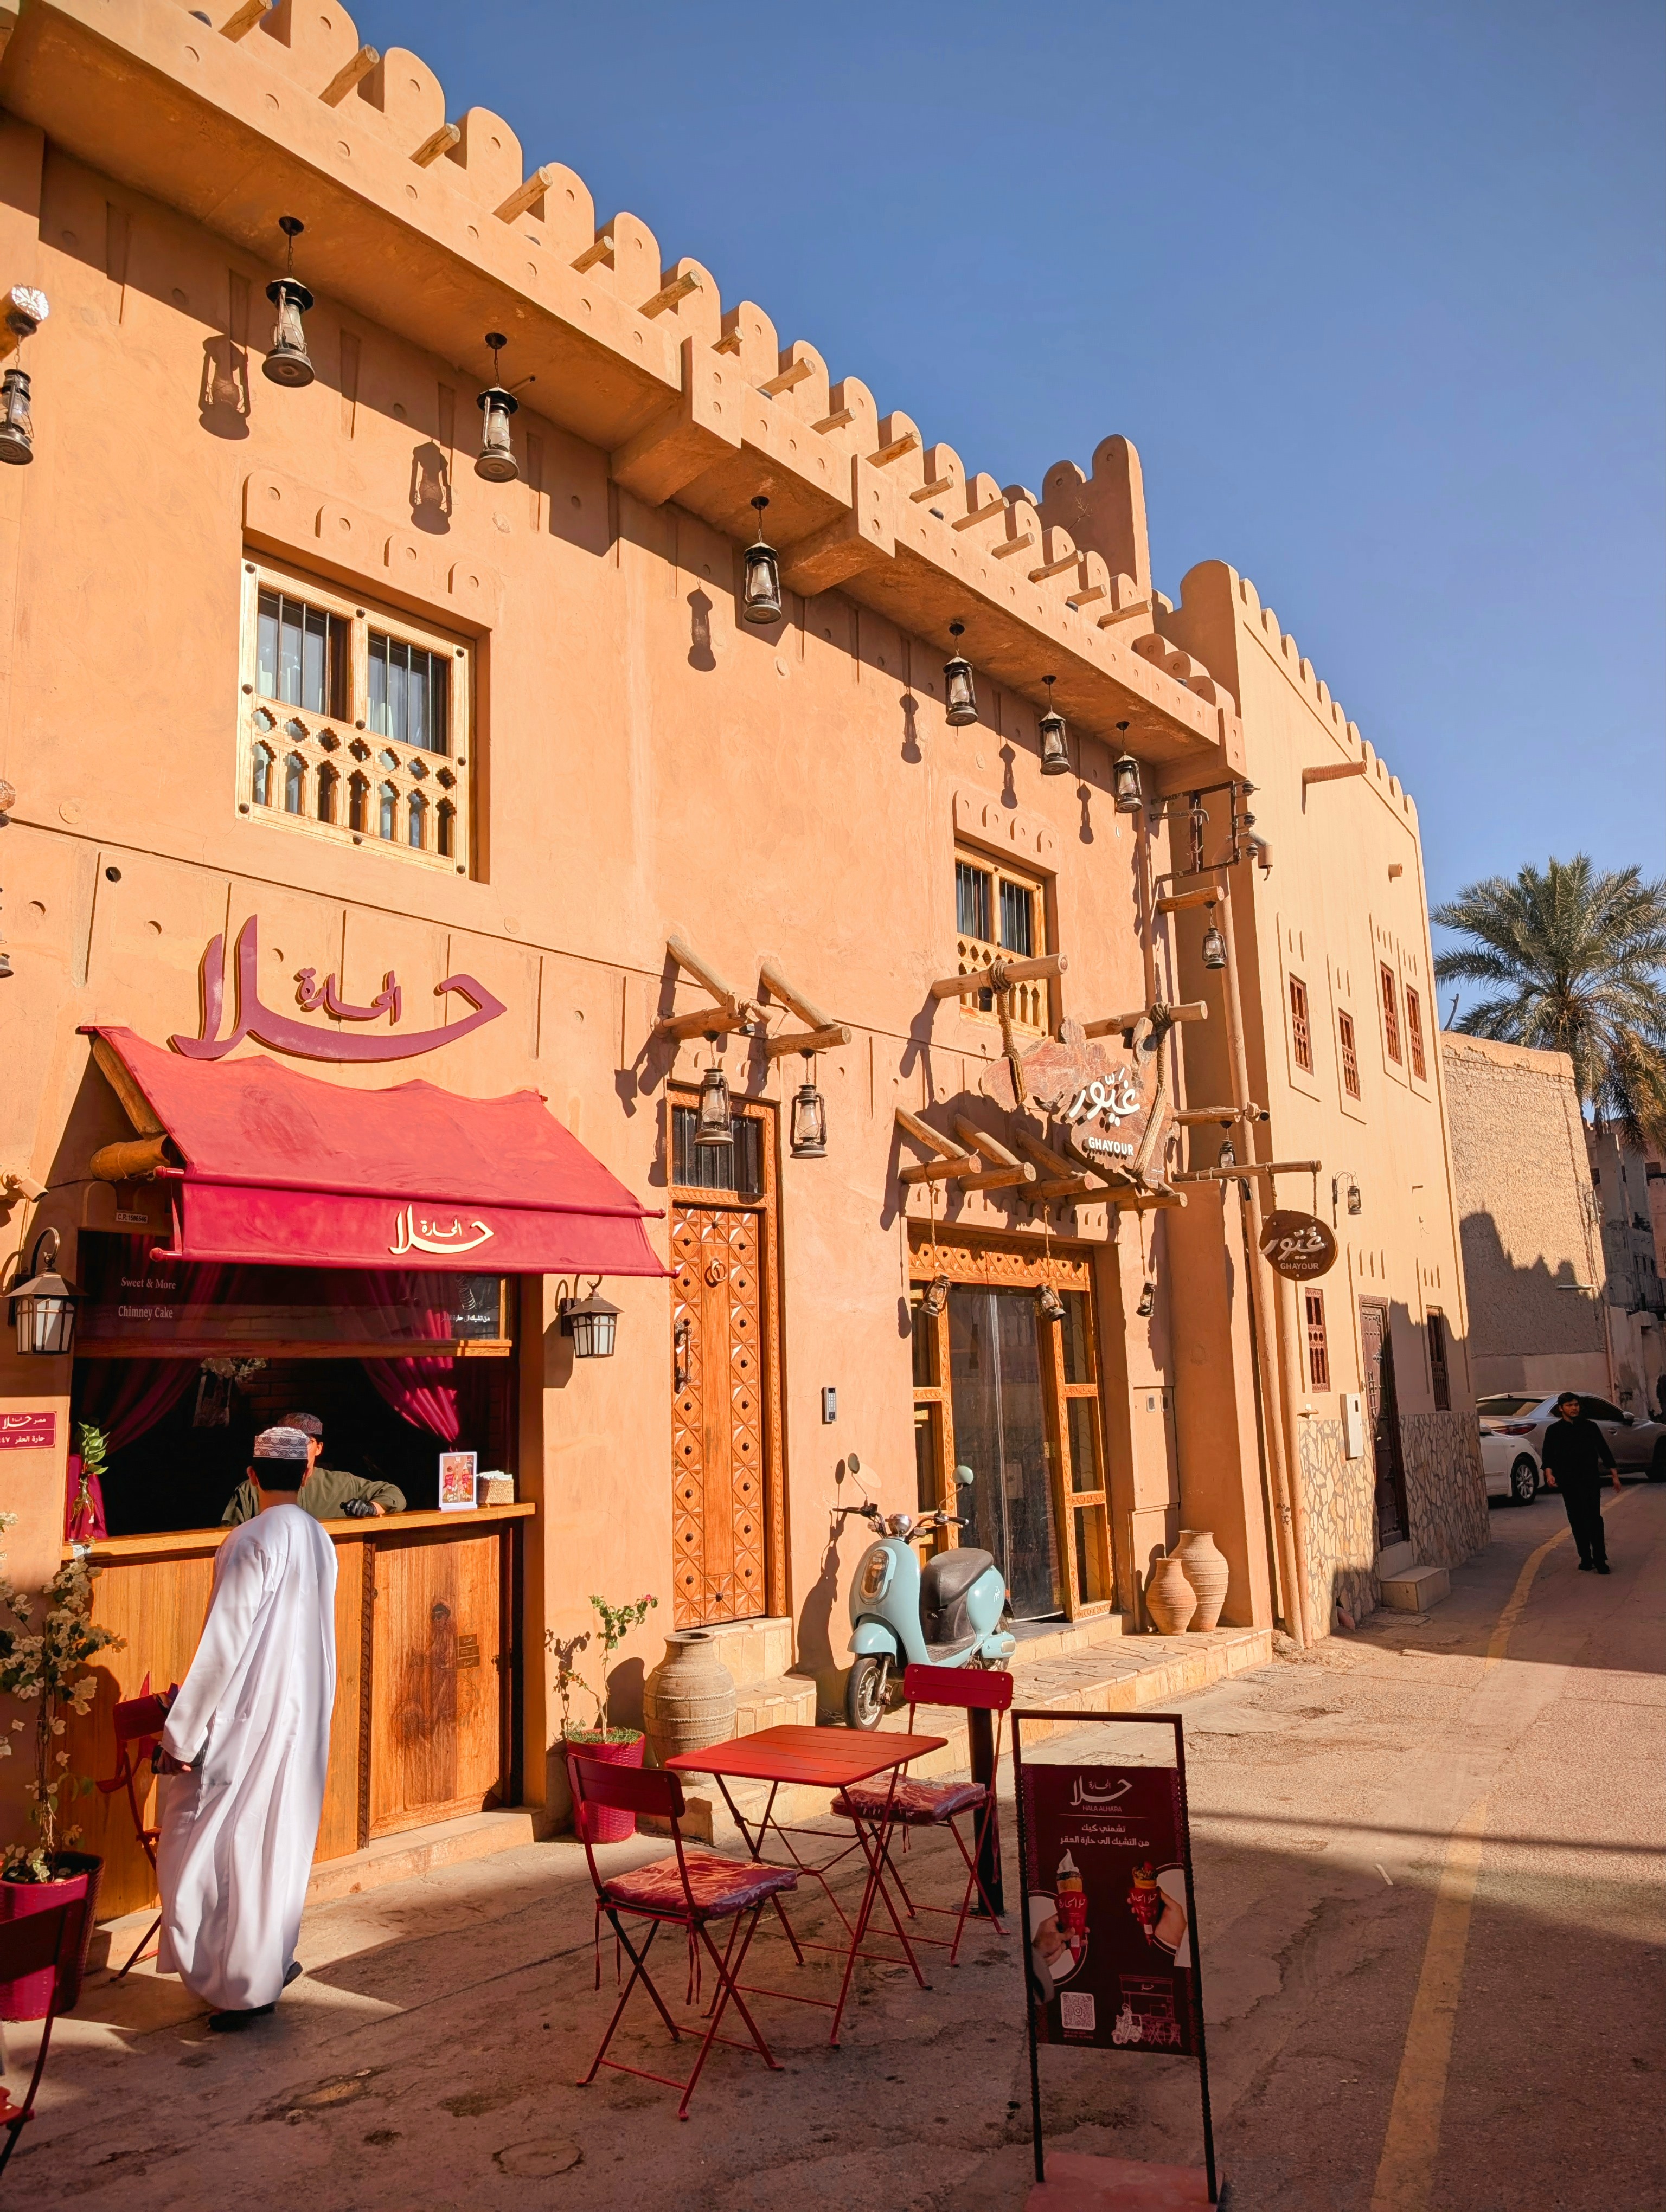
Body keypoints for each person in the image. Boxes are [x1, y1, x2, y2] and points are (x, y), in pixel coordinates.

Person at [157, 1426, 337, 2031]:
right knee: (278, 1842)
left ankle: (241, 1986)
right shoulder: (318, 1538)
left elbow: (223, 1645)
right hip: (299, 1714)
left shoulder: (249, 1540)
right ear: (306, 1475)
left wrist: (181, 1736)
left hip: (247, 1717)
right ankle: (267, 1961)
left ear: (253, 1475)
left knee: (217, 1844)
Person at [222, 1410, 405, 1525]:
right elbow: (228, 1536)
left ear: (319, 1448)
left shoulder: (342, 1483)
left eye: (306, 1442)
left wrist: (372, 1507)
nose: (298, 1449)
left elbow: (394, 1494)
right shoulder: (251, 1489)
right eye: (291, 1442)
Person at [1540, 1390, 1622, 1574]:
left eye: (1576, 1405)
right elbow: (1548, 1454)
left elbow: (1603, 1450)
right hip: (1568, 1481)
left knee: (1594, 1518)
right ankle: (1586, 1557)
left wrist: (1614, 1475)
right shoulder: (1554, 1431)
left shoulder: (1590, 1427)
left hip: (1590, 1479)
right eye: (1570, 1405)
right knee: (1576, 1519)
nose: (1574, 1408)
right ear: (1561, 1409)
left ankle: (1600, 1559)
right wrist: (1549, 1474)